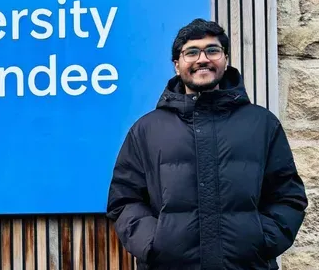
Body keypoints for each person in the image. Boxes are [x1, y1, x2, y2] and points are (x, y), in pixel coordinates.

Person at [106, 19, 308, 270]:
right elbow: (124, 200)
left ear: (225, 59)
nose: (203, 59)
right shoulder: (147, 130)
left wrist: (262, 240)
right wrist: (154, 244)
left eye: (212, 50)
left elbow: (288, 197)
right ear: (177, 65)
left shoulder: (262, 124)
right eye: (191, 52)